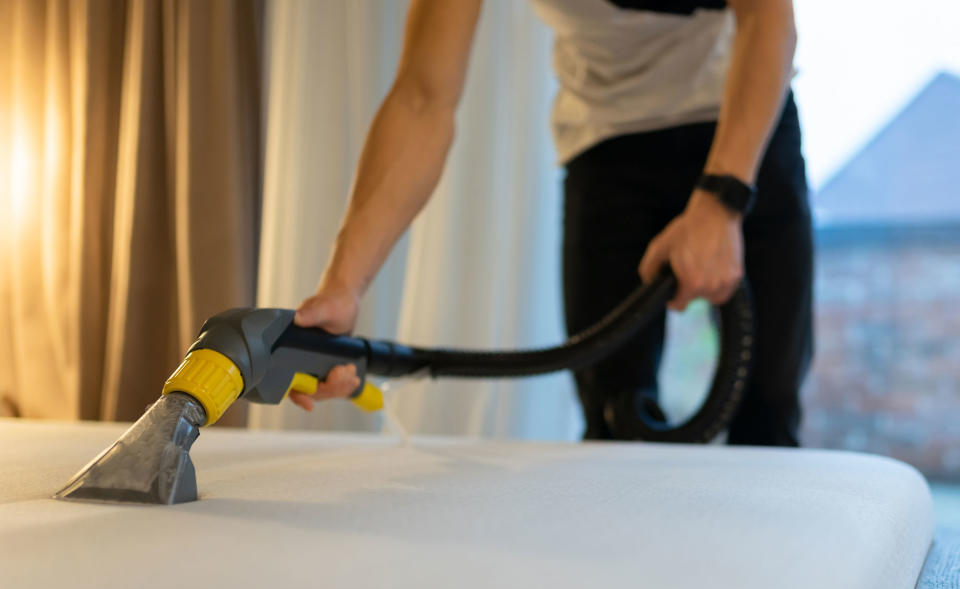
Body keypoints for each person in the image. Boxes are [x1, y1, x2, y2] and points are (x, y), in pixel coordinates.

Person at [290, 0, 813, 447]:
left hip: (745, 127)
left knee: (767, 407)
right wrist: (342, 288)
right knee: (614, 419)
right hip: (608, 144)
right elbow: (422, 98)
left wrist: (721, 201)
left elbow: (767, 18)